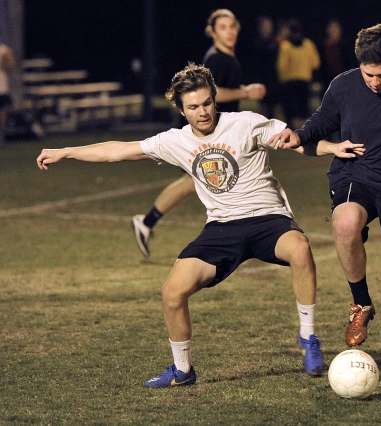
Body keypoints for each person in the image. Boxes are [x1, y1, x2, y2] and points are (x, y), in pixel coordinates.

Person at [36, 62, 325, 387]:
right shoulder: (174, 140)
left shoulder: (246, 122)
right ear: (181, 109)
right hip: (222, 228)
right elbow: (116, 152)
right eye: (193, 107)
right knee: (172, 293)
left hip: (267, 218)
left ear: (214, 99)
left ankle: (308, 337)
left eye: (206, 103)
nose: (202, 112)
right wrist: (66, 151)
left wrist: (334, 148)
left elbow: (297, 141)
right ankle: (183, 370)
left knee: (300, 249)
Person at [267, 23, 381, 396]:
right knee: (346, 222)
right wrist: (300, 134)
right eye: (368, 74)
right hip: (356, 173)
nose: (374, 82)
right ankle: (361, 303)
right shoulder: (345, 85)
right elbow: (322, 121)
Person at [131, 9, 266, 258]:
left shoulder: (227, 58)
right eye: (223, 27)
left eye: (232, 26)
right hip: (207, 132)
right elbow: (212, 95)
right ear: (213, 32)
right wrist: (246, 93)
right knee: (197, 181)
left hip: (221, 134)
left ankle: (148, 222)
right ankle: (149, 222)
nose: (230, 31)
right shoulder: (216, 59)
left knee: (201, 182)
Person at [276, 19, 320, 130]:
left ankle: (293, 135)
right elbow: (315, 63)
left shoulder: (285, 46)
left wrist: (282, 80)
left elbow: (282, 67)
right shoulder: (308, 44)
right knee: (304, 111)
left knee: (292, 112)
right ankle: (303, 135)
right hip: (305, 83)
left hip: (290, 84)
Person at [0, 39, 16, 146]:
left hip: (2, 88)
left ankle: (1, 137)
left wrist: (6, 58)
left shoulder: (3, 49)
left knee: (2, 115)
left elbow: (11, 66)